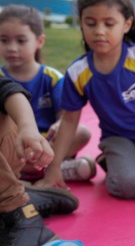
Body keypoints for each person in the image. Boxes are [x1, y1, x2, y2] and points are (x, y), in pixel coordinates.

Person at [36, 0, 135, 199]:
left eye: (109, 23)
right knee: (130, 187)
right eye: (91, 23)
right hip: (117, 138)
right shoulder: (78, 72)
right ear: (81, 24)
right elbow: (69, 121)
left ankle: (131, 163)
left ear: (126, 24)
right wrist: (54, 167)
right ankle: (110, 160)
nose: (99, 31)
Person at [0, 5, 94, 183]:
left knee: (82, 132)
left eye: (21, 41)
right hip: (14, 145)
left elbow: (65, 119)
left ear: (39, 41)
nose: (12, 48)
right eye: (4, 40)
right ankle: (56, 170)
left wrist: (58, 125)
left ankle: (40, 169)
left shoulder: (52, 78)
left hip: (46, 144)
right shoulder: (1, 79)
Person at [0, 76, 79, 246]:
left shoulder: (50, 77)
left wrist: (28, 128)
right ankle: (19, 193)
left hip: (11, 150)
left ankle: (19, 211)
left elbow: (8, 90)